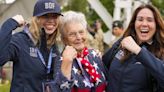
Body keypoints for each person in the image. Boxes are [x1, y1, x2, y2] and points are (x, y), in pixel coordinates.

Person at [0, 0, 63, 91]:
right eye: (45, 16)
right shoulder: (21, 40)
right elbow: (1, 58)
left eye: (54, 16)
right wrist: (9, 24)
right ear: (36, 19)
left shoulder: (54, 45)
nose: (51, 21)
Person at [102, 4, 164, 92]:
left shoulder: (161, 51)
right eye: (140, 19)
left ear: (156, 25)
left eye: (149, 20)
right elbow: (102, 68)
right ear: (134, 23)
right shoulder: (121, 43)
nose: (144, 24)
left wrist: (139, 51)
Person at [57, 11, 107, 92]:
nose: (79, 37)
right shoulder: (60, 62)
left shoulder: (94, 55)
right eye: (72, 34)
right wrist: (66, 63)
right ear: (64, 39)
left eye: (81, 32)